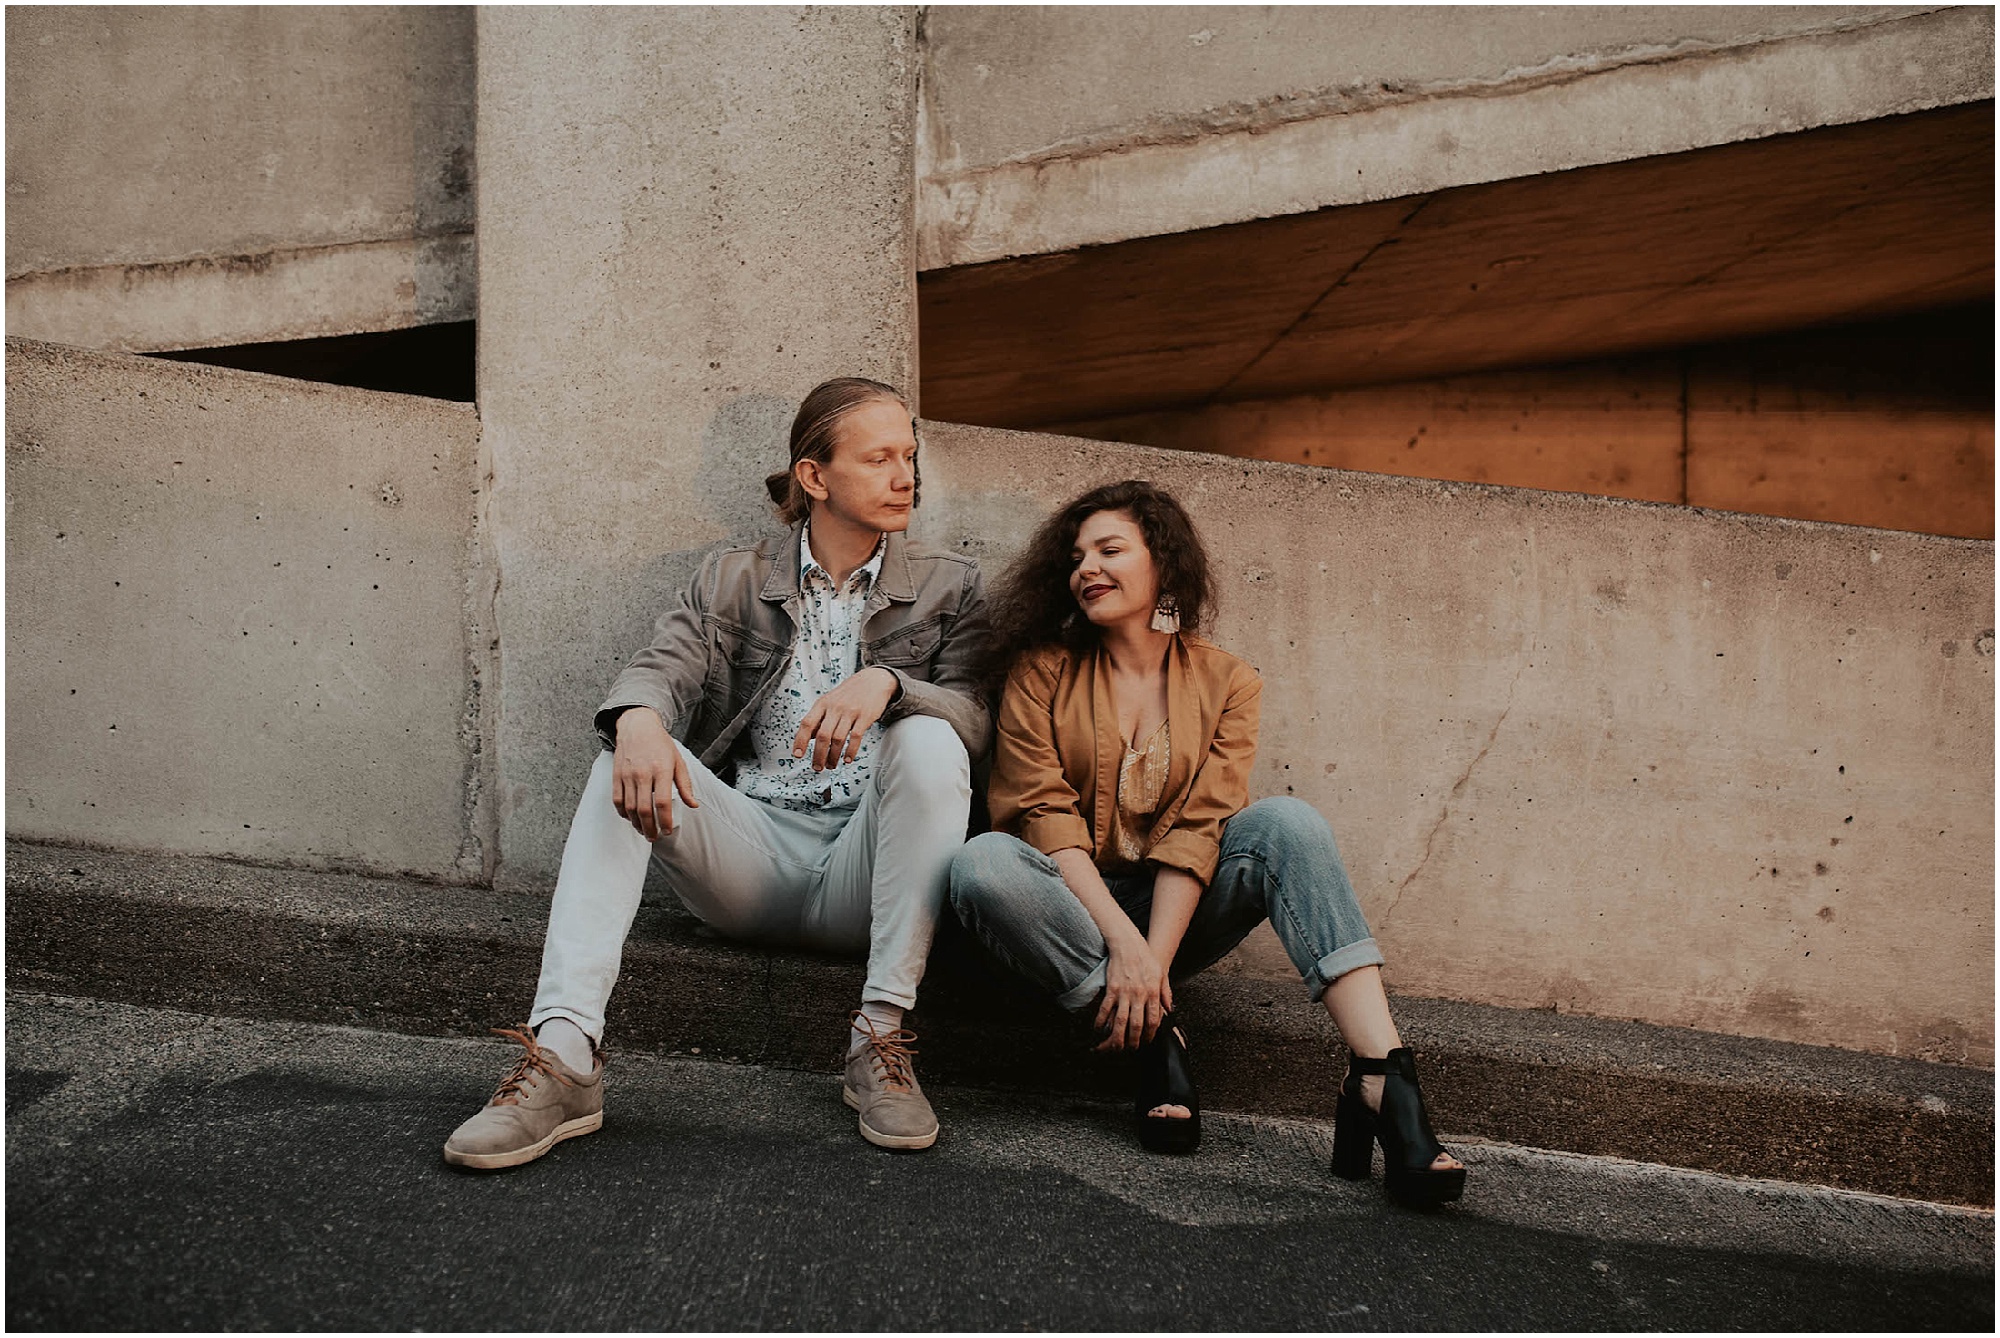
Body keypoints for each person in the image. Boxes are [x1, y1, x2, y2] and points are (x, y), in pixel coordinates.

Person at [445, 377, 991, 1168]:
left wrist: (891, 685)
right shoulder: (730, 578)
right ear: (815, 477)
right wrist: (637, 721)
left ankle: (879, 1037)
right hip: (752, 860)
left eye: (908, 456)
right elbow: (660, 667)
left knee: (934, 740)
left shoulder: (951, 585)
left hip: (868, 872)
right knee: (626, 754)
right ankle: (563, 1055)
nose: (905, 475)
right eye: (878, 459)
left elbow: (978, 719)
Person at [947, 479, 1466, 1207]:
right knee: (984, 864)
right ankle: (1157, 1037)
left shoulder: (1229, 682)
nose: (1086, 568)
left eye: (1109, 549)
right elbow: (1042, 816)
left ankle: (1383, 1078)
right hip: (1065, 915)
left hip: (1175, 923)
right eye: (1075, 557)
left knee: (1288, 823)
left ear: (1163, 560)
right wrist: (1122, 950)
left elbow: (1201, 827)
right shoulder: (1042, 672)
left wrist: (1152, 960)